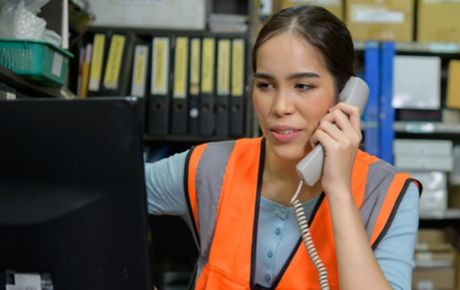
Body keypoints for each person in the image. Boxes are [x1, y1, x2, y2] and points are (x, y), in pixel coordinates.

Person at [145, 6, 420, 290]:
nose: (280, 107)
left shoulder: (389, 194)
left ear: (345, 97)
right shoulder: (211, 166)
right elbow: (107, 189)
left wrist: (339, 190)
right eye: (265, 85)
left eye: (302, 86)